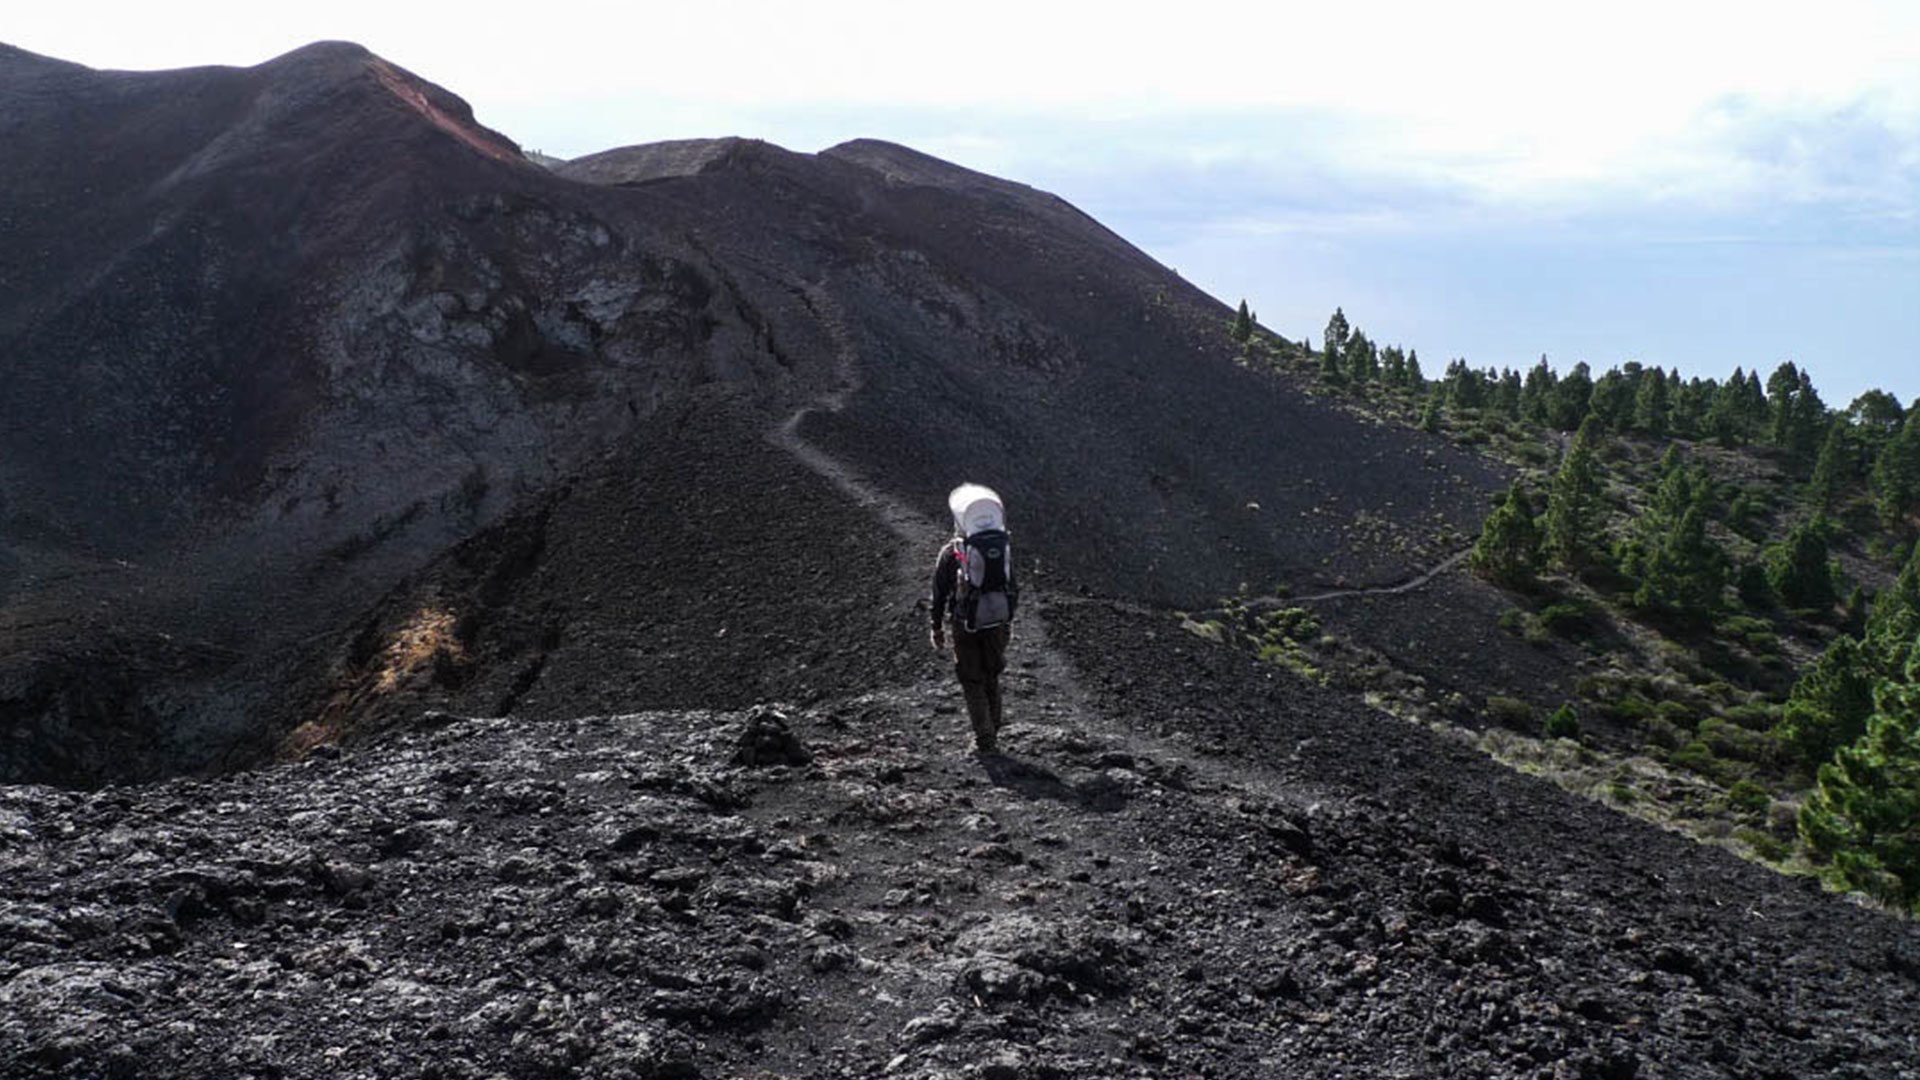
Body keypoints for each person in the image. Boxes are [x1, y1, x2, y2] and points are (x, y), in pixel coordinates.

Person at [929, 484, 1017, 754]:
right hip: (997, 620)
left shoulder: (952, 552)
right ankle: (993, 730)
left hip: (965, 622)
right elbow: (1013, 585)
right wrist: (1007, 619)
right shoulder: (1002, 546)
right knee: (991, 675)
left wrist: (936, 627)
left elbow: (939, 592)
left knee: (971, 678)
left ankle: (984, 738)